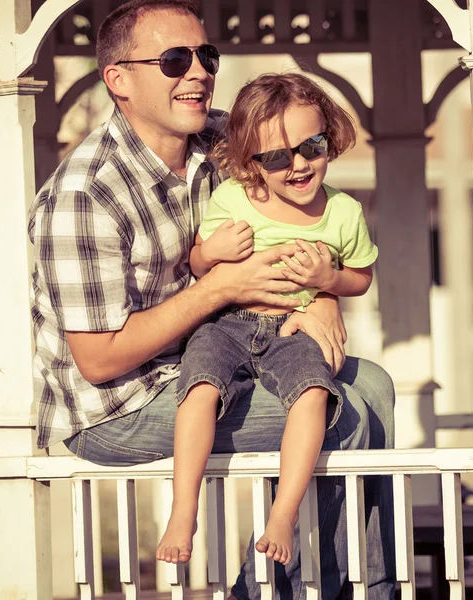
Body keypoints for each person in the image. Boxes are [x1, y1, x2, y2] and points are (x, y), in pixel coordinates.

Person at [27, 0, 395, 598]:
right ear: (118, 80)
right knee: (347, 415)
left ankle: (349, 585)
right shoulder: (84, 195)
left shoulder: (223, 141)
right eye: (175, 59)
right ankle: (306, 589)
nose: (197, 71)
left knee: (375, 385)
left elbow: (306, 197)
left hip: (232, 350)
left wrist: (320, 292)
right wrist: (220, 288)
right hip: (116, 405)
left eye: (206, 55)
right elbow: (99, 360)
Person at [156, 72, 379, 567]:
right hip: (227, 322)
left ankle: (283, 513)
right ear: (250, 161)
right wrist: (210, 250)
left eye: (311, 147)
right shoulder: (234, 199)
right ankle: (183, 508)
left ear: (330, 138)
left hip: (292, 324)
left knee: (315, 394)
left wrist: (328, 280)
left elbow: (360, 277)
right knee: (199, 389)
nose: (298, 166)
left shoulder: (343, 212)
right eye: (277, 157)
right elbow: (199, 265)